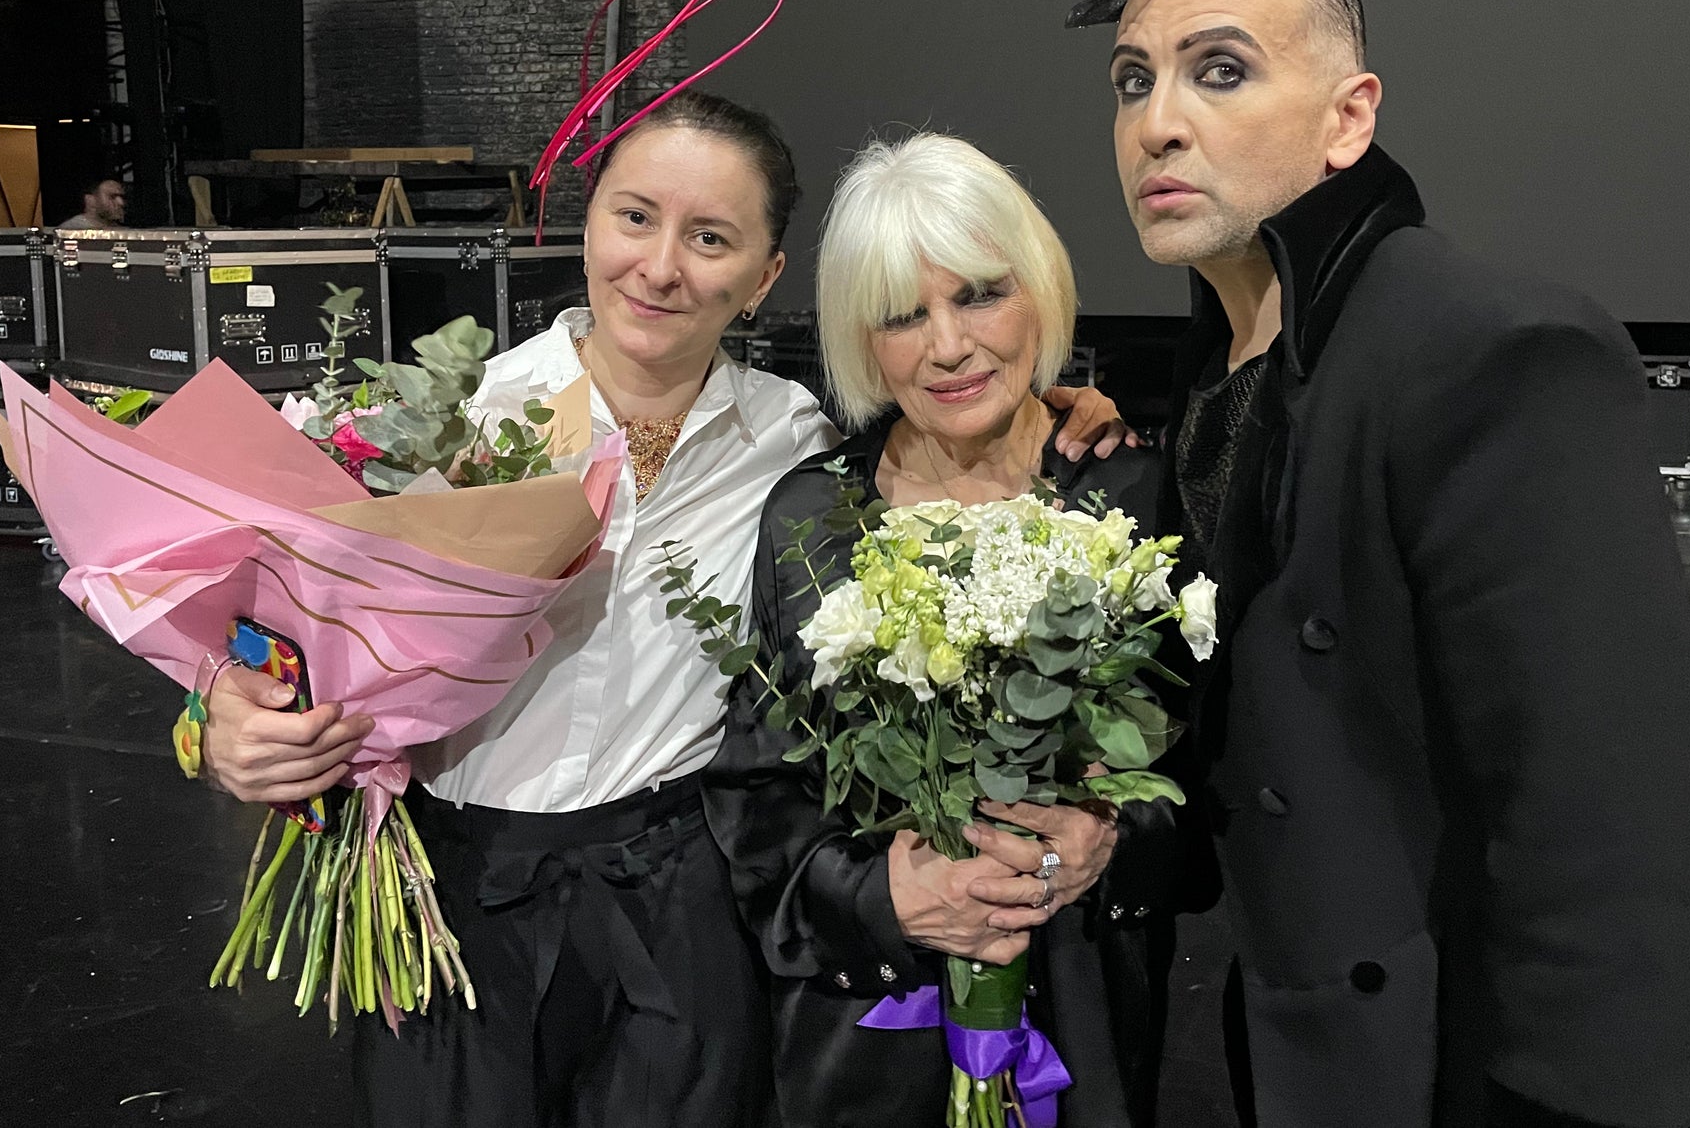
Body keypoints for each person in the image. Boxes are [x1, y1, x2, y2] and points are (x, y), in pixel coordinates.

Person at [1039, 0, 1690, 1128]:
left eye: (1221, 69)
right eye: (1133, 78)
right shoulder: (1221, 369)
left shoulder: (1492, 354)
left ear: (1348, 117)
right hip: (1302, 1051)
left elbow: (1607, 846)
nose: (1158, 121)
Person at [194, 93, 1132, 1127]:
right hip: (453, 900)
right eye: (634, 218)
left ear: (764, 277)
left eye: (711, 238)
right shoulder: (450, 420)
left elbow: (948, 454)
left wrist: (1061, 412)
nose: (659, 266)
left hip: (686, 909)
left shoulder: (797, 444)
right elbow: (271, 635)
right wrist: (217, 713)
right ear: (589, 221)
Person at [706, 133, 1184, 1128]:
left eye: (979, 295)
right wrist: (882, 898)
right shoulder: (811, 517)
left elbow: (1210, 772)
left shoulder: (1129, 492)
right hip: (868, 1041)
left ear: (1039, 291)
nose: (949, 346)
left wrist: (1108, 840)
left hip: (1082, 1015)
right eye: (901, 315)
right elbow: (758, 804)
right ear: (861, 339)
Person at [56, 175, 126, 230]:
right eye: (112, 197)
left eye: (121, 197)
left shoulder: (122, 231)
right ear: (90, 200)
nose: (121, 202)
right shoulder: (71, 230)